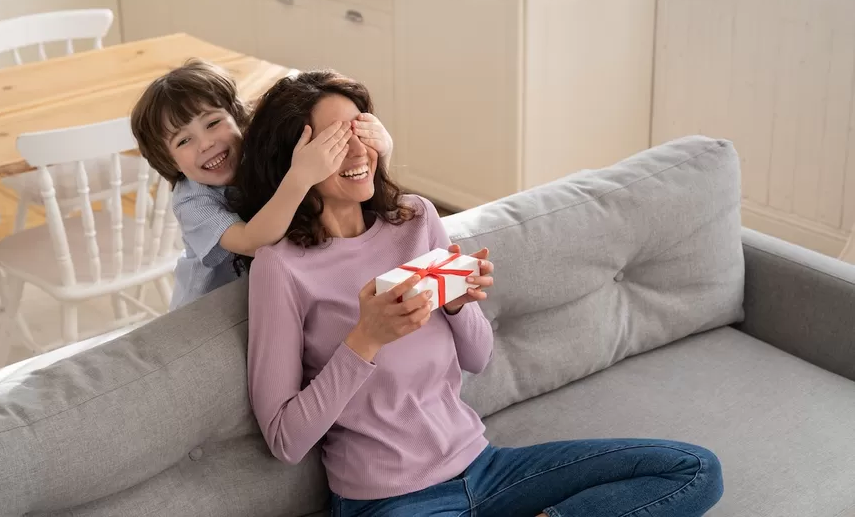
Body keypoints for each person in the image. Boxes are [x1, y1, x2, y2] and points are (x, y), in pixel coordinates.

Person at [235, 70, 724, 517]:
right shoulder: (281, 268)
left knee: (695, 470)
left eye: (362, 130)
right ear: (294, 158)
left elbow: (478, 357)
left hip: (486, 468)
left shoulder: (413, 219)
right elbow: (285, 440)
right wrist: (365, 339)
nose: (360, 151)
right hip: (389, 500)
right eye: (337, 140)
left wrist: (458, 301)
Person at [130, 58, 356, 310]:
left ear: (237, 118)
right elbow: (252, 242)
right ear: (170, 161)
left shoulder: (254, 153)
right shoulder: (192, 202)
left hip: (266, 294)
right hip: (208, 314)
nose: (205, 144)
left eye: (213, 123)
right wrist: (299, 178)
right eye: (184, 141)